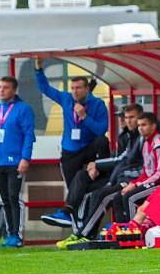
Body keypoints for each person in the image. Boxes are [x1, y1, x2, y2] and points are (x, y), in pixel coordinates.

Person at [42, 103, 144, 227]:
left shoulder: (137, 137)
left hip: (126, 179)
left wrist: (97, 164)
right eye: (122, 117)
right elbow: (119, 159)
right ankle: (68, 214)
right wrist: (97, 165)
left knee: (95, 195)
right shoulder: (124, 135)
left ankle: (85, 231)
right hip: (116, 175)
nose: (123, 120)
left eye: (129, 117)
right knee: (81, 177)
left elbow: (122, 160)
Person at [35, 57, 109, 222]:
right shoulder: (66, 99)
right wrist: (39, 68)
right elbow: (45, 88)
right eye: (73, 88)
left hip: (89, 148)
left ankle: (102, 170)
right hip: (70, 152)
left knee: (103, 141)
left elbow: (101, 130)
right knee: (74, 189)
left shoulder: (97, 105)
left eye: (78, 88)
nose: (75, 91)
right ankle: (74, 221)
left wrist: (84, 116)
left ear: (86, 89)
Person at [0, 76, 36, 248]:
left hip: (15, 161)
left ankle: (16, 235)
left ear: (14, 90)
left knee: (13, 196)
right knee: (5, 199)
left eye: (5, 87)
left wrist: (25, 158)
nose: (1, 90)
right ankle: (10, 234)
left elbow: (28, 136)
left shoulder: (23, 109)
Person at [111, 112, 160, 224]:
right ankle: (122, 231)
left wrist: (138, 185)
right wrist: (133, 183)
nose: (140, 128)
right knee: (118, 198)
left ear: (153, 126)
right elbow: (146, 172)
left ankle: (135, 233)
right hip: (152, 182)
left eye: (144, 125)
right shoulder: (146, 144)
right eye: (139, 125)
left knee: (130, 198)